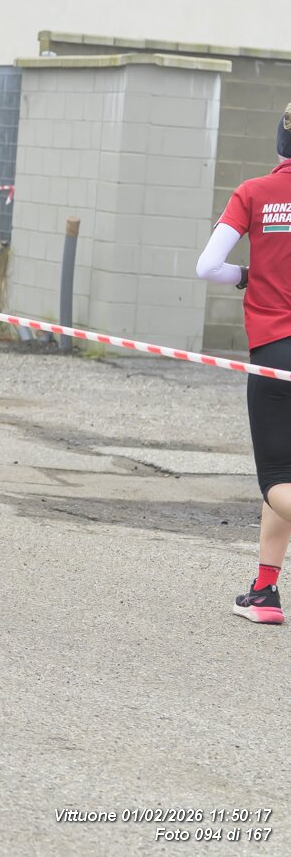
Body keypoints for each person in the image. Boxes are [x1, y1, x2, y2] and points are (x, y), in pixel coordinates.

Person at [196, 103, 291, 625]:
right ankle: (264, 591)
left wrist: (246, 276)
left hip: (276, 350)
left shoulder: (254, 192)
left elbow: (207, 266)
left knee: (276, 478)